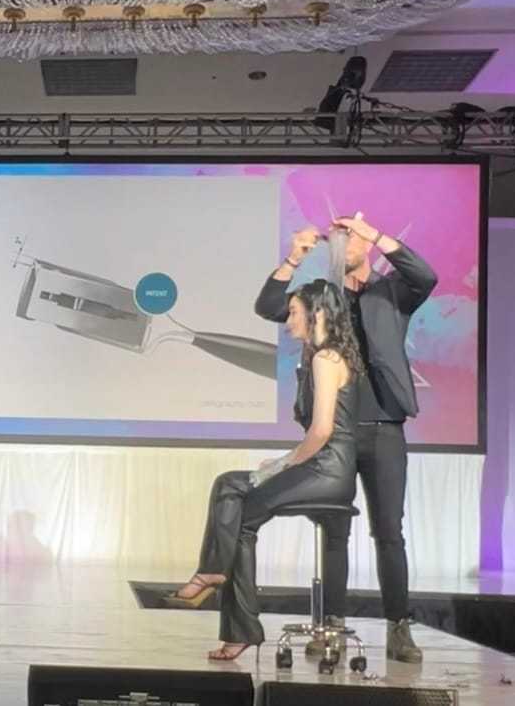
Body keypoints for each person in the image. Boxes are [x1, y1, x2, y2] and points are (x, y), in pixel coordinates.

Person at [255, 212, 437, 663]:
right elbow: (269, 306)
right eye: (340, 239)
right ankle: (329, 625)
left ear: (368, 245)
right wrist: (294, 257)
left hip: (384, 428)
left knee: (388, 532)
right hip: (337, 432)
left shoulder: (392, 291)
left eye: (352, 239)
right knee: (335, 529)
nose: (344, 245)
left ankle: (399, 628)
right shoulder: (322, 297)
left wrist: (373, 232)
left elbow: (426, 275)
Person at [166, 280, 362, 660]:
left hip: (328, 471)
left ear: (316, 313)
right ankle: (216, 581)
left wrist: (278, 467)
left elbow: (322, 431)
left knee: (238, 510)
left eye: (293, 312)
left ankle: (221, 591)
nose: (288, 322)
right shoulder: (318, 357)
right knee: (230, 488)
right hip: (325, 468)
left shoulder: (326, 359)